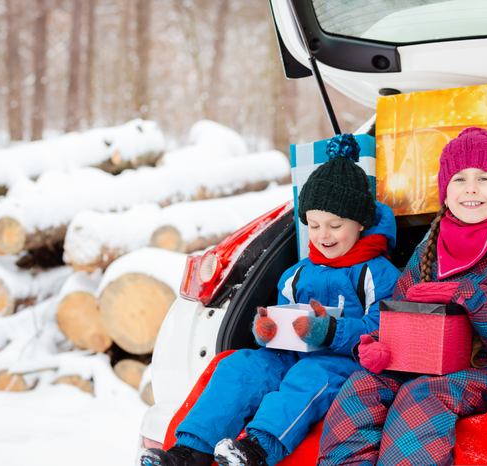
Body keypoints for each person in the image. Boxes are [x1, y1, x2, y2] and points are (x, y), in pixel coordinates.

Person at [140, 133, 401, 466]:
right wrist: (266, 330)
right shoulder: (297, 273)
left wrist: (330, 331)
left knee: (308, 378)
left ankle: (257, 449)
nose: (323, 235)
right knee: (240, 366)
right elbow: (279, 320)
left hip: (344, 361)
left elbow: (382, 329)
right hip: (290, 355)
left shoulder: (378, 273)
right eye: (315, 225)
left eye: (335, 225)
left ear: (360, 224)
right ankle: (190, 451)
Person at [317, 127, 487, 466]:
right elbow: (400, 313)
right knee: (362, 386)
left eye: (484, 178)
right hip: (425, 360)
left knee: (423, 397)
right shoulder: (430, 248)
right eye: (459, 179)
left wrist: (474, 298)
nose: (470, 188)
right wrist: (377, 342)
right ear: (445, 194)